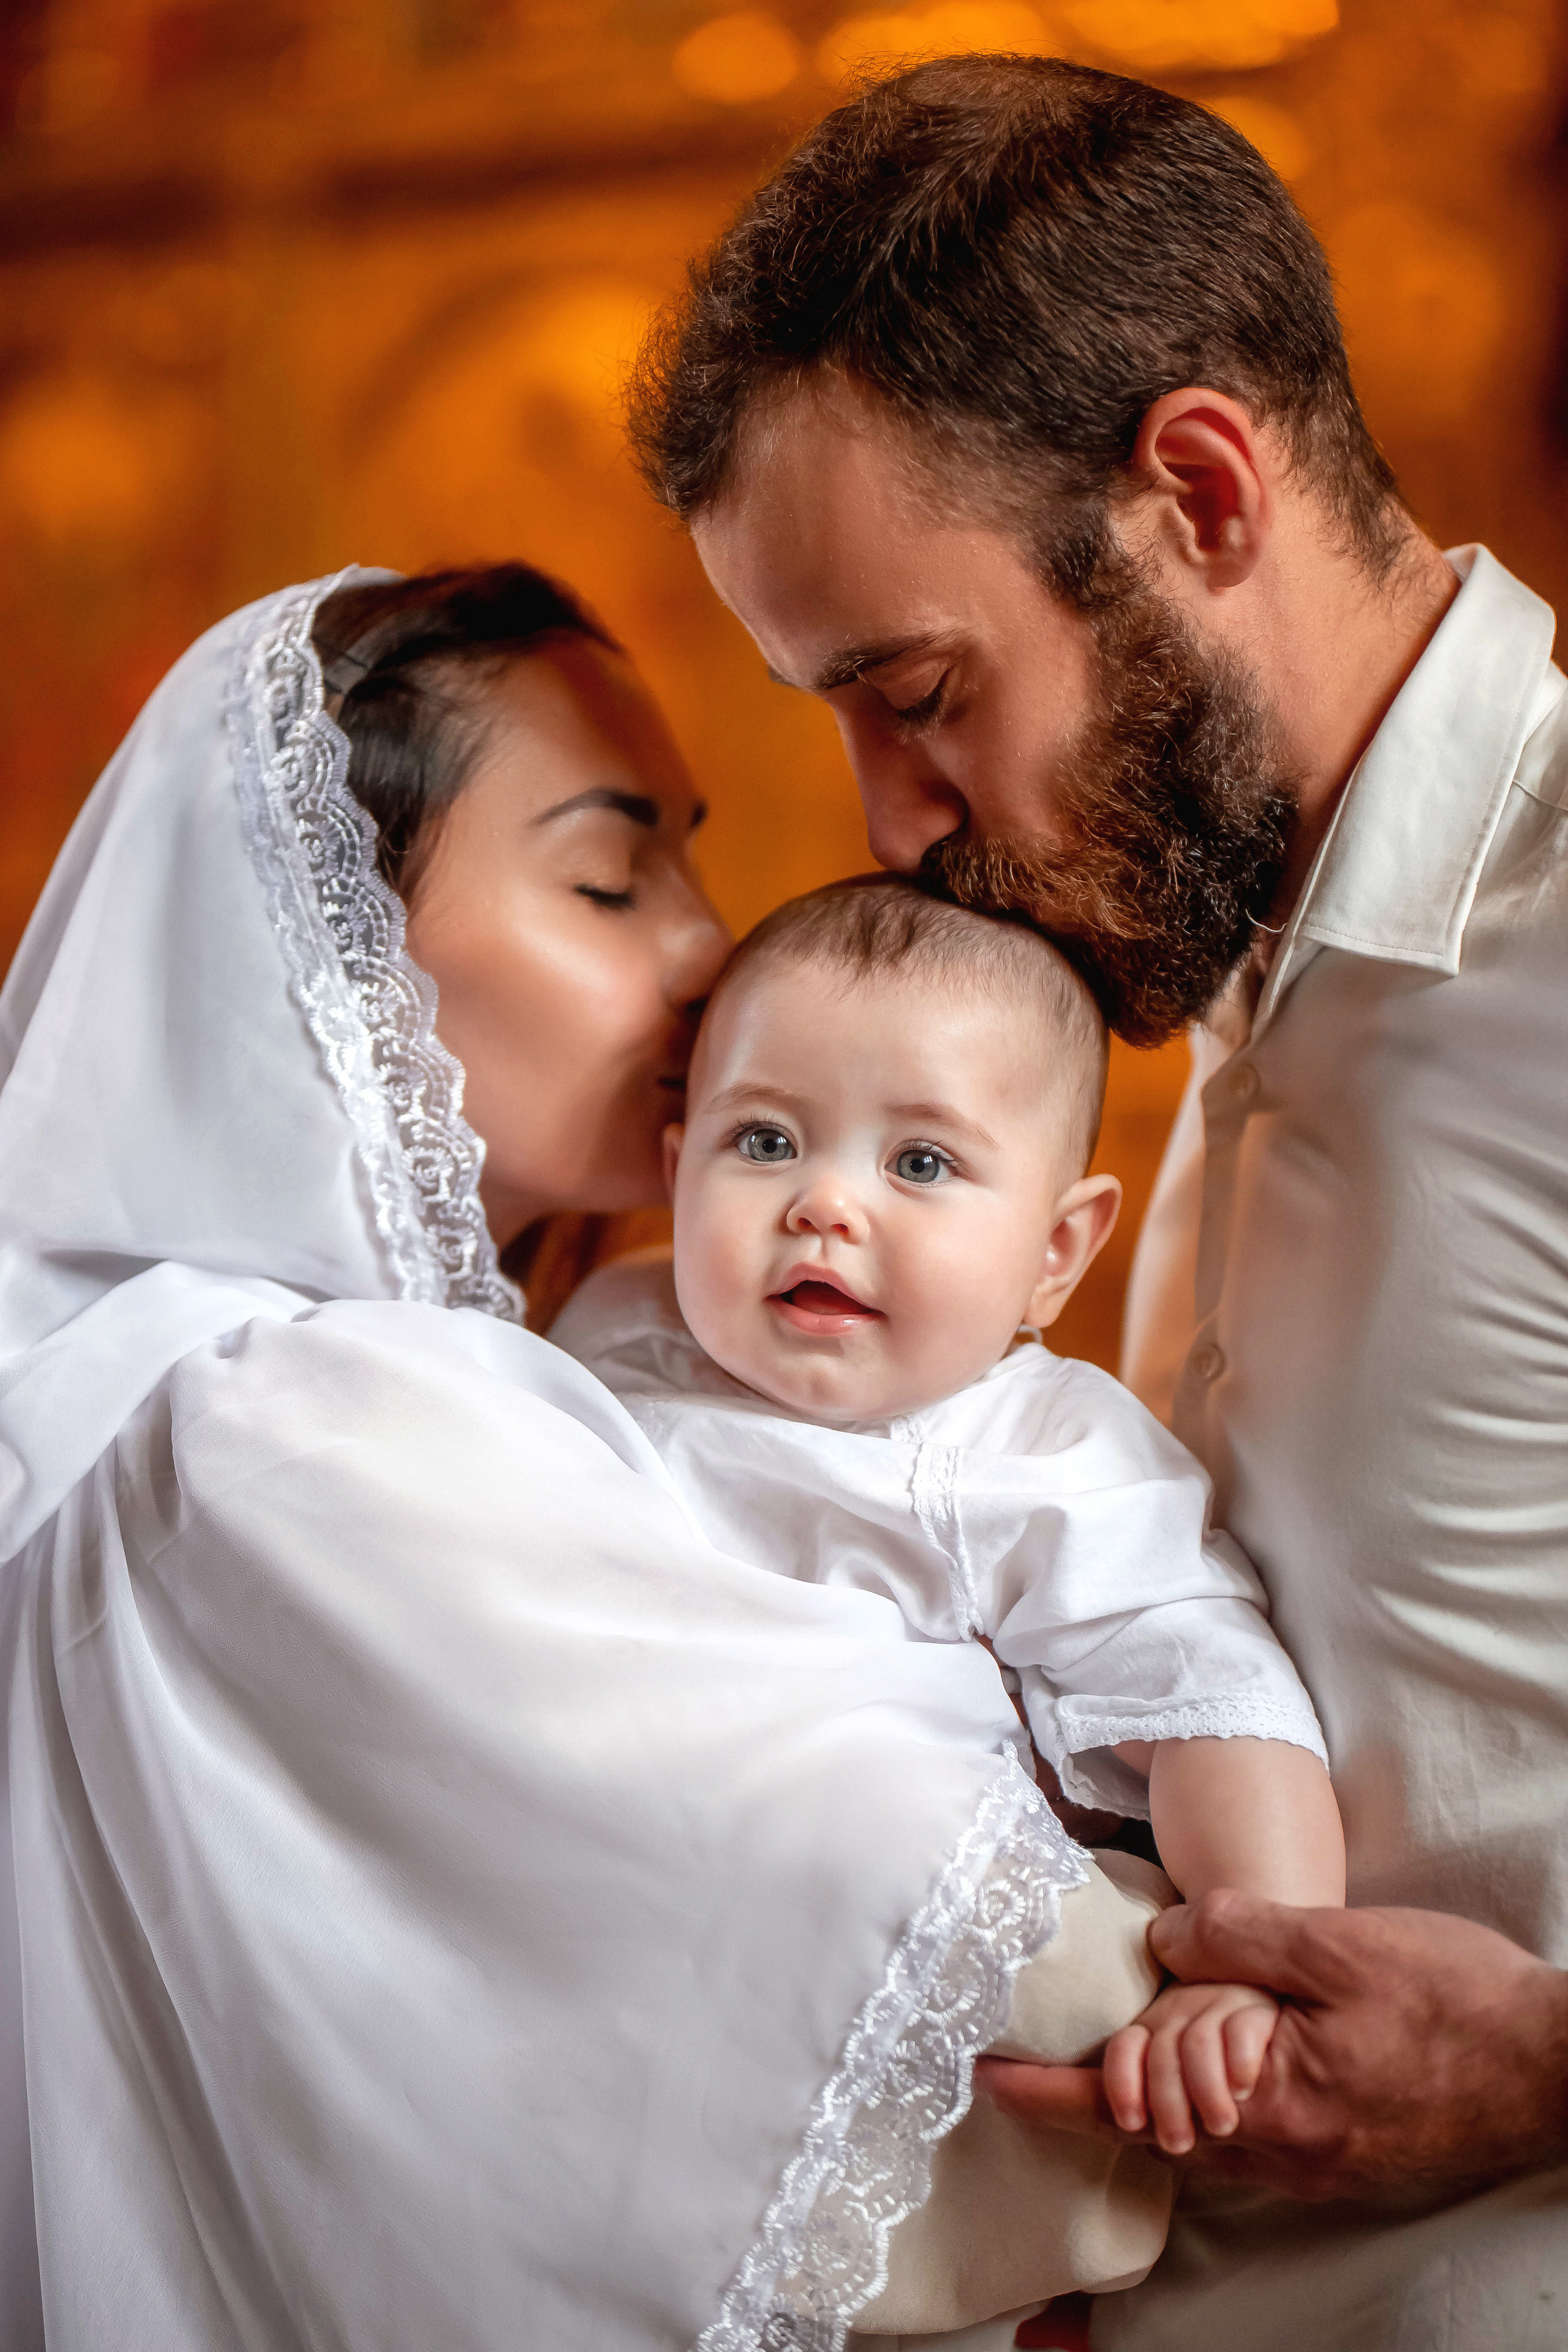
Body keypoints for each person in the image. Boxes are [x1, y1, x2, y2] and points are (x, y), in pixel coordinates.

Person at [628, 51, 1568, 2349]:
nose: (892, 820)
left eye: (922, 692)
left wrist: (1549, 2071)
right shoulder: (1195, 950)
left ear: (1199, 491)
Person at [0, 559, 1169, 2352]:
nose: (711, 955)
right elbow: (968, 1952)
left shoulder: (225, 1383)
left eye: (687, 865)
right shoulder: (283, 1424)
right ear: (326, 954)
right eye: (612, 879)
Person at [556, 873, 1345, 2169]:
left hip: (877, 2012)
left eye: (918, 1162)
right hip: (626, 1933)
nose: (823, 1204)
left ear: (1054, 1251)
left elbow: (1216, 1701)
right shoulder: (617, 1331)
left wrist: (1247, 1960)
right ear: (674, 1164)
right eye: (761, 1141)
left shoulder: (1035, 1456)